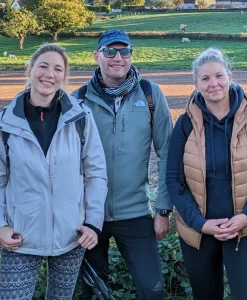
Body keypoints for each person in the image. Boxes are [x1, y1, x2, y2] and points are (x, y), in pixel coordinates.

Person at [0, 44, 108, 299]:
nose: (49, 74)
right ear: (30, 70)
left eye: (57, 68)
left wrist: (93, 223)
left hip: (71, 235)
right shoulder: (5, 122)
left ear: (64, 76)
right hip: (20, 236)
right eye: (42, 66)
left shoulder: (80, 118)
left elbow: (95, 173)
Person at [165, 48, 247, 299]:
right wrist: (200, 223)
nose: (213, 83)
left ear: (230, 76)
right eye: (205, 79)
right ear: (195, 83)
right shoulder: (185, 123)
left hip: (245, 228)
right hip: (199, 230)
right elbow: (174, 179)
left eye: (218, 76)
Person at [73, 29, 173, 299]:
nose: (118, 57)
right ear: (97, 56)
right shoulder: (77, 100)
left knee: (152, 291)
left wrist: (163, 210)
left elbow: (168, 153)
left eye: (124, 51)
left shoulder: (151, 95)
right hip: (89, 216)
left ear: (131, 55)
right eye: (109, 51)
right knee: (94, 293)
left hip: (136, 212)